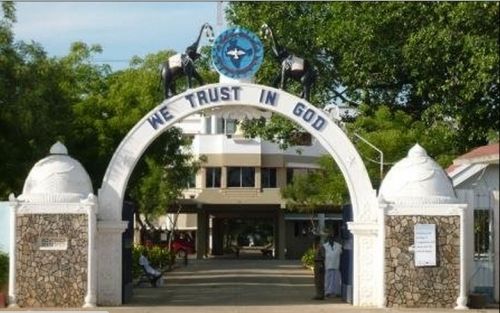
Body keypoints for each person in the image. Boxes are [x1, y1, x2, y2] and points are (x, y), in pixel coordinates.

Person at [323, 232, 343, 297]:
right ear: (328, 239)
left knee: (336, 280)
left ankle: (337, 292)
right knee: (328, 280)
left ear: (334, 238)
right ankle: (328, 292)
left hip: (336, 265)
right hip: (328, 265)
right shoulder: (325, 246)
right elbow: (323, 256)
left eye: (332, 237)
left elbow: (341, 254)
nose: (331, 239)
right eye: (329, 238)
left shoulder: (339, 246)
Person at [312, 235, 325, 300]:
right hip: (316, 263)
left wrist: (321, 265)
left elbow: (323, 256)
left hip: (319, 263)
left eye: (315, 240)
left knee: (320, 280)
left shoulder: (321, 247)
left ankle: (321, 295)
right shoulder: (316, 247)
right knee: (316, 280)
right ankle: (318, 294)